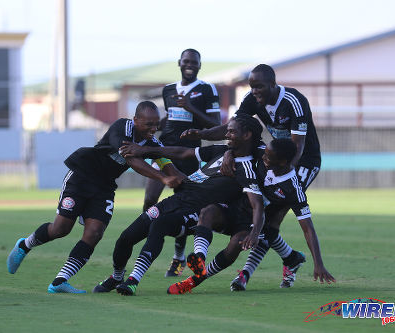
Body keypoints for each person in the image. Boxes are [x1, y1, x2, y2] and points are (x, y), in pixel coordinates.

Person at [6, 101, 183, 293]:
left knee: (95, 233)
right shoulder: (123, 127)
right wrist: (162, 178)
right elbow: (131, 159)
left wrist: (192, 183)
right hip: (82, 175)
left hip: (104, 186)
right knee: (61, 229)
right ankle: (25, 245)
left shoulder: (153, 143)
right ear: (136, 120)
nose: (153, 128)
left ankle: (59, 281)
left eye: (156, 124)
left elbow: (171, 168)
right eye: (148, 124)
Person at [181, 63, 322, 288]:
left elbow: (298, 146)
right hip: (276, 162)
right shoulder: (252, 99)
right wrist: (208, 136)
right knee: (261, 217)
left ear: (273, 84)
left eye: (259, 87)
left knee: (271, 219)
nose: (255, 92)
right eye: (252, 86)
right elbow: (233, 127)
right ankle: (290, 259)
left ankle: (248, 272)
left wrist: (282, 177)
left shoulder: (294, 102)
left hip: (301, 162)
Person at [92, 114, 263, 295]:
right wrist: (145, 151)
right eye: (227, 131)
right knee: (126, 238)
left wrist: (255, 232)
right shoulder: (222, 151)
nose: (226, 135)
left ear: (247, 135)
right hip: (179, 198)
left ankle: (133, 280)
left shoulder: (248, 169)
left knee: (159, 226)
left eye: (231, 132)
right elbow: (183, 152)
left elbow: (257, 203)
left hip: (195, 210)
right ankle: (117, 276)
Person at [168, 138, 335, 294]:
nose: (263, 158)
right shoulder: (262, 152)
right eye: (264, 154)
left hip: (252, 223)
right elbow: (238, 145)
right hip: (233, 207)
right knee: (207, 212)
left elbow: (308, 229)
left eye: (269, 157)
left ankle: (194, 280)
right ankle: (199, 259)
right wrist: (228, 153)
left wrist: (318, 263)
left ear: (283, 162)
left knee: (236, 244)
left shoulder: (293, 189)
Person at [144, 48, 222, 278]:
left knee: (183, 205)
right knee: (150, 197)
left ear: (199, 65)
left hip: (190, 153)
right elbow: (170, 118)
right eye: (186, 61)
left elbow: (215, 123)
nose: (190, 65)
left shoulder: (207, 90)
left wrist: (191, 107)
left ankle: (178, 257)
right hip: (165, 149)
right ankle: (147, 239)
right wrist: (151, 126)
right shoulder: (168, 90)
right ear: (179, 62)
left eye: (194, 62)